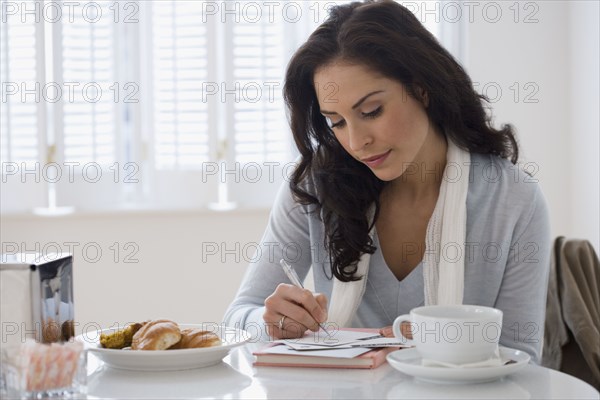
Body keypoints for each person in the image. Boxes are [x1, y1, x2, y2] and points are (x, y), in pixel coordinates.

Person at [223, 0, 551, 363]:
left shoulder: (513, 200)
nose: (356, 141)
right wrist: (270, 321)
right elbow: (239, 316)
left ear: (421, 88)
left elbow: (521, 357)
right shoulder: (316, 188)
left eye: (371, 112)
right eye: (337, 122)